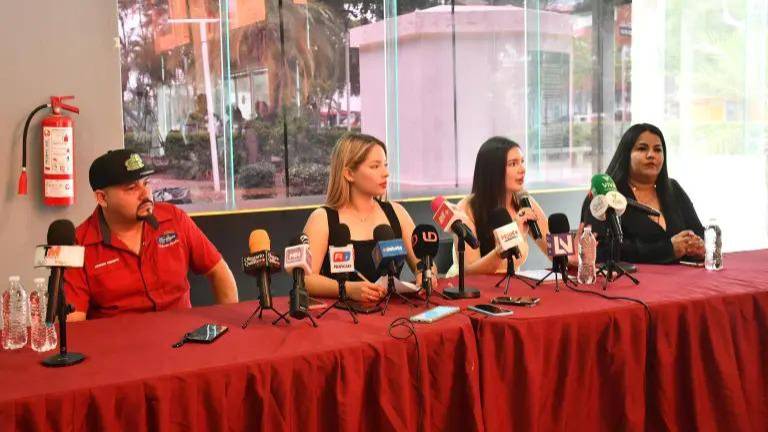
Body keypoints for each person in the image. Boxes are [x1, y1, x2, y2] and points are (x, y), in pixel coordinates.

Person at [64, 150, 238, 321]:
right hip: (120, 339)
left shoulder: (174, 219)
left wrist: (226, 327)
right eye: (132, 188)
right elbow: (73, 323)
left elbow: (219, 272)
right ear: (102, 198)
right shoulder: (78, 245)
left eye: (146, 183)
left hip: (183, 334)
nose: (145, 194)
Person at [302, 133, 433, 303]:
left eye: (385, 165)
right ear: (349, 173)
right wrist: (347, 289)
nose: (386, 173)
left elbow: (424, 264)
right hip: (343, 315)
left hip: (394, 313)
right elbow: (306, 279)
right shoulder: (322, 219)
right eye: (375, 166)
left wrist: (426, 275)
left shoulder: (396, 212)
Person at [580, 123, 705, 263]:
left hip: (683, 275)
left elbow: (699, 232)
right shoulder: (605, 195)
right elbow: (601, 249)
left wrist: (699, 246)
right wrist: (668, 250)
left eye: (657, 150)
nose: (651, 155)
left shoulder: (673, 189)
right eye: (642, 148)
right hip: (631, 276)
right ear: (626, 154)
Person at [449, 137, 550, 275]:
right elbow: (470, 273)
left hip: (510, 285)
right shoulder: (466, 208)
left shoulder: (524, 202)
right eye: (513, 164)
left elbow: (555, 251)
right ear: (493, 171)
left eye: (522, 162)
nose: (522, 169)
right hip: (473, 286)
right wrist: (508, 240)